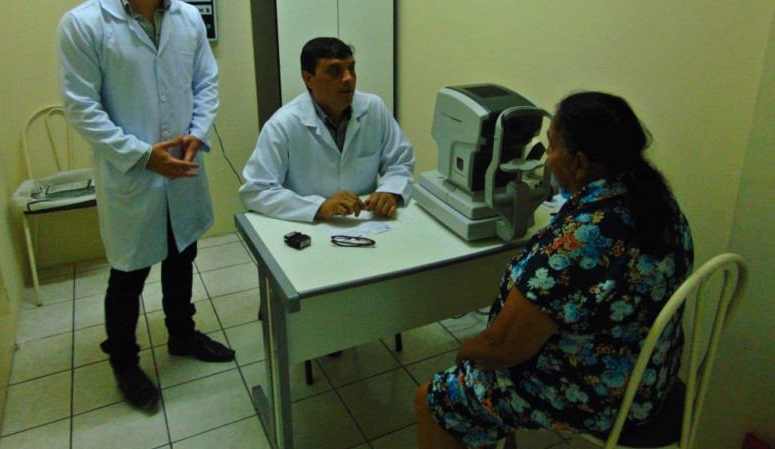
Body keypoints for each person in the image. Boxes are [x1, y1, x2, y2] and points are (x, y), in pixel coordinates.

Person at [415, 91, 694, 448]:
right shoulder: (657, 201)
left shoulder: (580, 239)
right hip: (649, 375)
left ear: (578, 163)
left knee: (433, 398)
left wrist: (466, 352)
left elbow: (504, 348)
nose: (546, 159)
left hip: (601, 395)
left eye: (550, 147)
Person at [57, 0, 234, 412]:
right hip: (132, 175)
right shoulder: (85, 24)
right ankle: (126, 362)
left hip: (182, 165)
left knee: (183, 256)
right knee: (129, 273)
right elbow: (81, 108)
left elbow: (206, 82)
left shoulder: (187, 19)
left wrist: (197, 134)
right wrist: (140, 156)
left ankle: (183, 334)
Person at [239, 36, 415, 221]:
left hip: (367, 223)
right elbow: (256, 191)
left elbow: (400, 162)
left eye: (351, 68)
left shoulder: (373, 109)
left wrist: (390, 191)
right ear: (309, 79)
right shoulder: (283, 125)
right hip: (308, 226)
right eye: (334, 71)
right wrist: (319, 207)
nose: (348, 78)